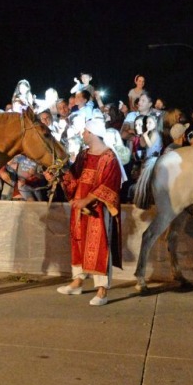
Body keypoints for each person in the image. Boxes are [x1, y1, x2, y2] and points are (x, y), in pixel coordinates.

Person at [50, 114, 123, 306]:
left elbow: (109, 186)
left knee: (100, 245)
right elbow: (74, 177)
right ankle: (78, 281)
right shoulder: (84, 154)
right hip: (79, 209)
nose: (82, 133)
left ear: (92, 133)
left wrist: (86, 201)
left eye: (85, 131)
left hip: (97, 209)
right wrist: (59, 176)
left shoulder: (109, 158)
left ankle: (102, 290)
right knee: (78, 241)